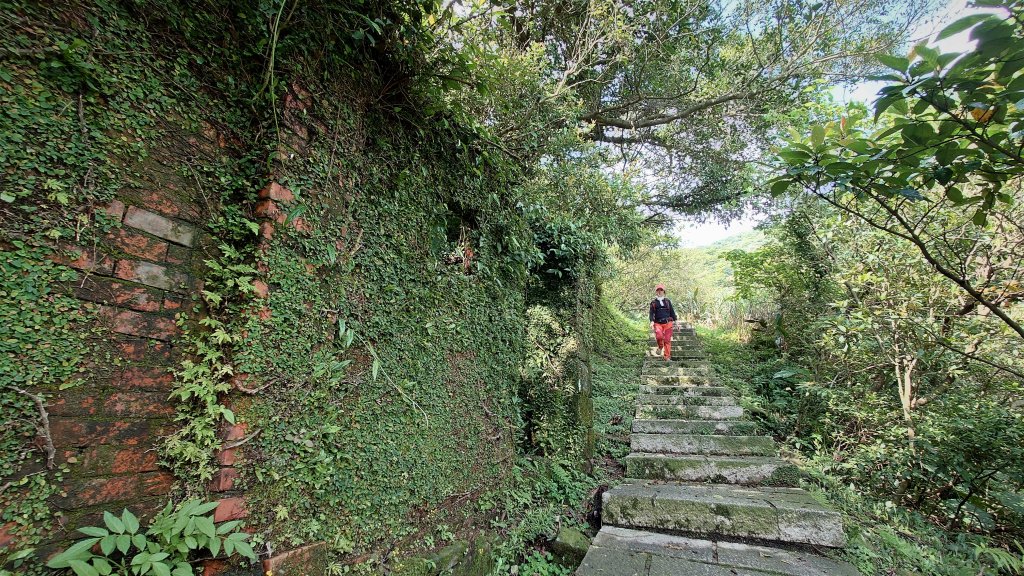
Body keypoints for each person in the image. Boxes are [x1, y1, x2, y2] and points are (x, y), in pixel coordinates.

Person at [649, 284, 676, 360]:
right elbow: (651, 313)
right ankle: (660, 347)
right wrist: (651, 321)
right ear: (656, 292)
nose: (659, 292)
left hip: (668, 323)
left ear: (664, 292)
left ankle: (667, 357)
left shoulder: (667, 301)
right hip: (658, 323)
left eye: (661, 290)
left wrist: (676, 322)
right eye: (658, 290)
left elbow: (672, 312)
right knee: (659, 336)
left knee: (667, 340)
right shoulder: (653, 303)